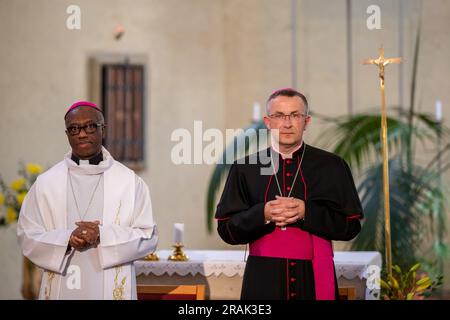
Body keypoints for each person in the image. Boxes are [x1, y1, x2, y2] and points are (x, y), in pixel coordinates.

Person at [215, 88, 363, 300]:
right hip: (262, 280)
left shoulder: (332, 166)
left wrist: (306, 212)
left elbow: (351, 226)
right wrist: (263, 214)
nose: (287, 123)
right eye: (279, 116)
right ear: (267, 122)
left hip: (311, 278)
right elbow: (226, 230)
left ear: (306, 121)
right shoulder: (245, 168)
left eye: (295, 115)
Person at [17, 101, 158, 300]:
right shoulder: (46, 184)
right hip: (62, 285)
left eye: (90, 126)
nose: (82, 134)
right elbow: (27, 235)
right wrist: (66, 239)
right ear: (67, 134)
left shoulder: (130, 182)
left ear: (104, 129)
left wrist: (102, 235)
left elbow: (148, 236)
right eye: (74, 129)